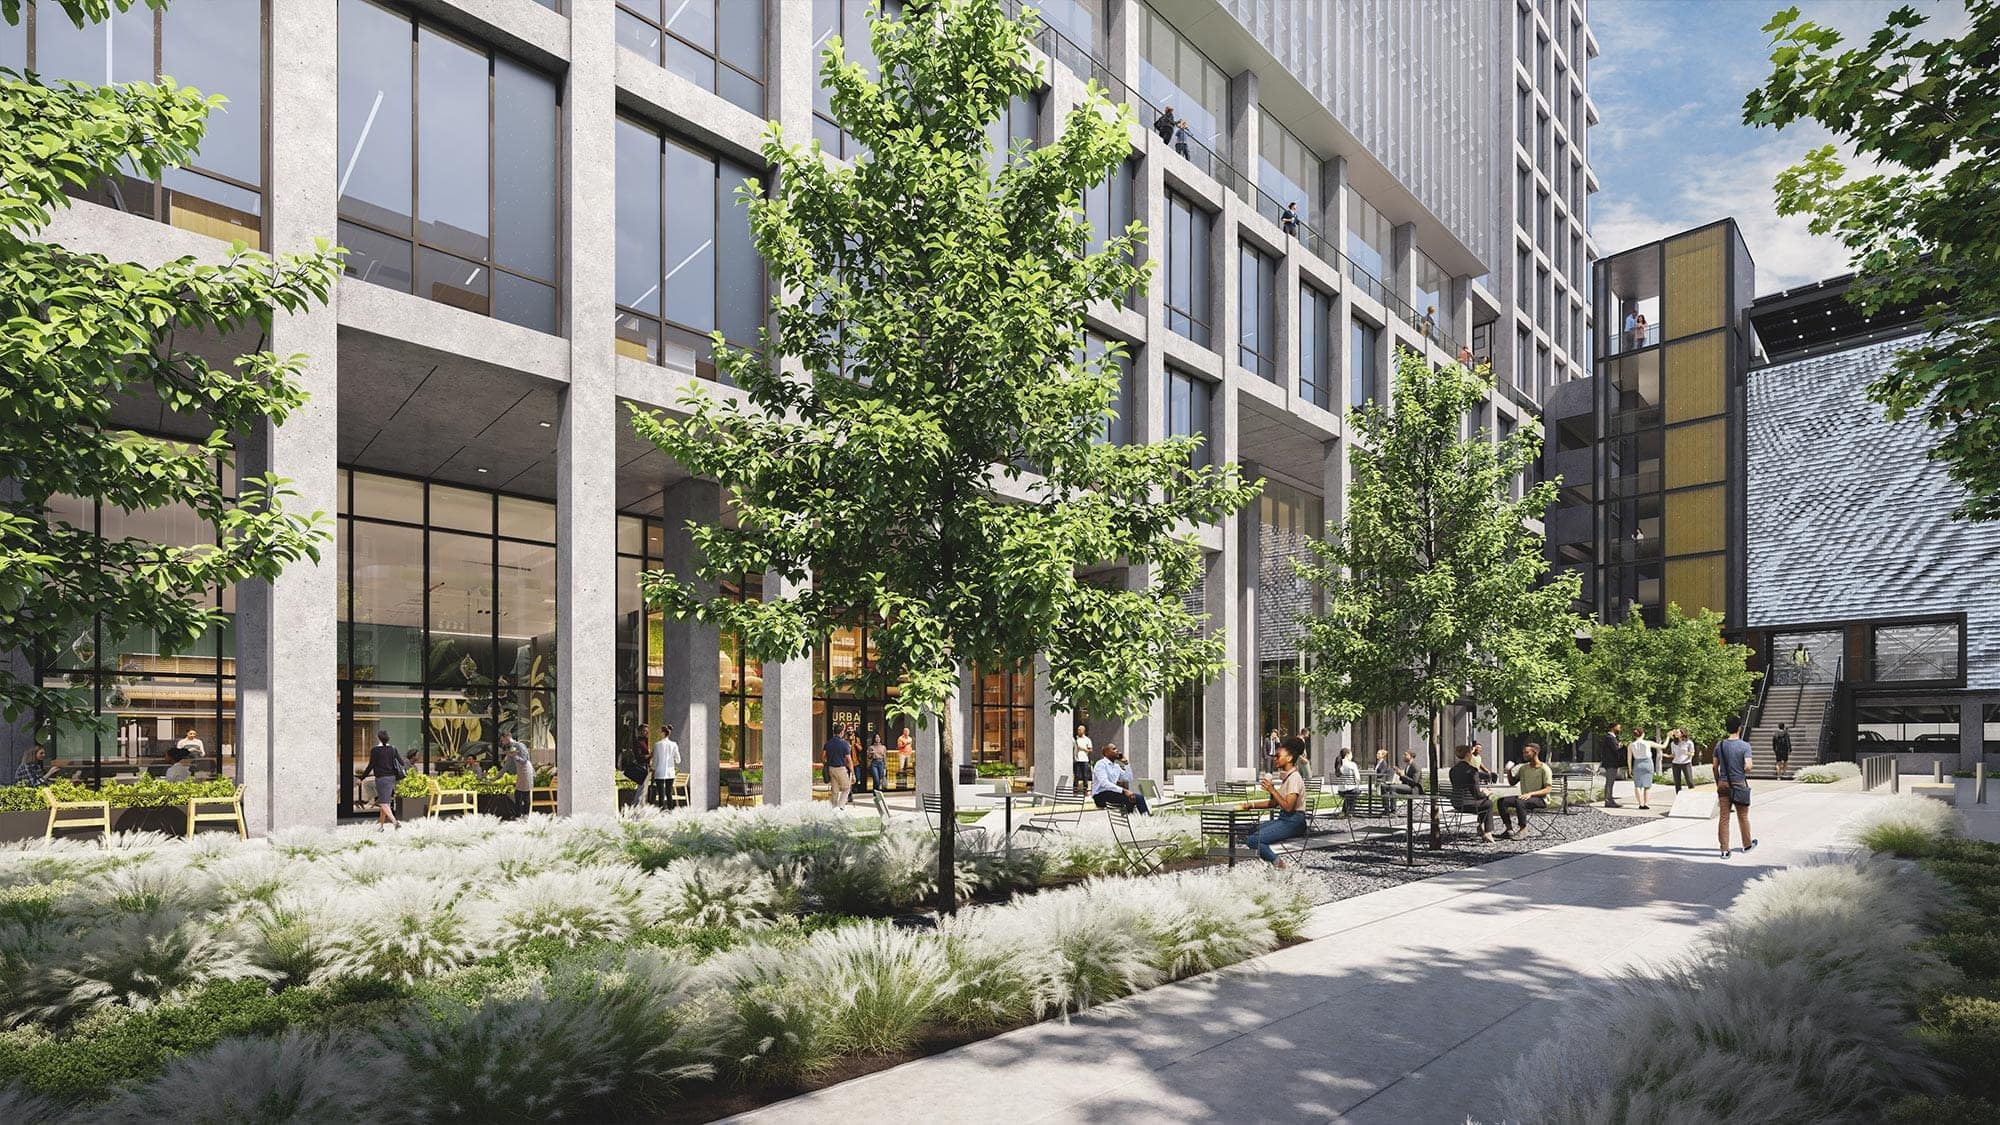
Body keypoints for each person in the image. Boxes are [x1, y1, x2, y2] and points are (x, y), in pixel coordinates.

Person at [1238, 737, 1308, 866]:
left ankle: (1280, 865)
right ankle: (1268, 864)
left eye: (1278, 756)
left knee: (1253, 840)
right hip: (1285, 819)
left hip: (1293, 822)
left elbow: (1288, 807)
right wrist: (1250, 805)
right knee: (1251, 830)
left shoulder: (1294, 778)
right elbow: (1274, 803)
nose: (1275, 758)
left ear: (1289, 758)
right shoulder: (1288, 777)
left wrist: (1272, 790)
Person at [1714, 715, 1757, 858]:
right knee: (1743, 816)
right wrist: (1741, 769)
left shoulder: (1719, 745)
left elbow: (1715, 766)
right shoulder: (1745, 746)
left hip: (1723, 784)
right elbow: (1749, 766)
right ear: (1739, 727)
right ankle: (1747, 845)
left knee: (1724, 817)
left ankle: (1725, 851)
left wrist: (1718, 781)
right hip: (1738, 783)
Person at [1497, 743, 1553, 838]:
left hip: (1541, 800)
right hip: (1525, 798)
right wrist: (1509, 771)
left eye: (1527, 752)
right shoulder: (1523, 768)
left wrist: (1530, 794)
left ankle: (1523, 830)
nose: (1524, 754)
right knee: (1501, 801)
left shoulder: (1544, 769)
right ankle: (1509, 829)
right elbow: (1512, 783)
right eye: (1523, 752)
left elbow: (1548, 789)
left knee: (1520, 801)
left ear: (1535, 753)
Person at [1449, 744, 1497, 843]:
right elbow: (1477, 795)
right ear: (1468, 754)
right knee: (1488, 803)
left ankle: (1481, 827)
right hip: (1468, 804)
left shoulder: (1452, 770)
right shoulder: (1472, 770)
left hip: (1456, 803)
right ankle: (1487, 832)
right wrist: (1486, 793)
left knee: (1484, 802)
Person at [364, 731, 408, 828]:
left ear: (378, 738)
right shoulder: (393, 749)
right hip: (391, 778)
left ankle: (395, 822)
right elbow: (401, 762)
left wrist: (362, 777)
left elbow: (370, 765)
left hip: (381, 779)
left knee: (383, 803)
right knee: (386, 802)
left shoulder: (375, 750)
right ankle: (381, 826)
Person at [1090, 743, 1148, 814]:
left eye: (1116, 748)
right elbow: (1104, 783)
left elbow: (1128, 778)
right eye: (1114, 749)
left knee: (1132, 799)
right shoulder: (1101, 764)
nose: (1117, 751)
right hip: (1100, 795)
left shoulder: (1116, 766)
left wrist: (1126, 764)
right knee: (1139, 798)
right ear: (1106, 752)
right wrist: (1124, 791)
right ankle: (1147, 820)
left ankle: (1128, 820)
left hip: (1112, 793)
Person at [498, 732, 533, 818]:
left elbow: (524, 760)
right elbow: (506, 766)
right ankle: (518, 815)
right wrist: (496, 777)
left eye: (503, 740)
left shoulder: (519, 745)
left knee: (525, 793)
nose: (502, 742)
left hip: (526, 770)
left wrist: (515, 756)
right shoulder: (511, 748)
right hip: (520, 772)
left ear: (507, 737)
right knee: (518, 793)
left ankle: (526, 815)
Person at [1627, 726, 1658, 810]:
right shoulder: (1648, 743)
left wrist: (1630, 769)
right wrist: (1668, 737)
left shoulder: (1631, 745)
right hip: (1648, 763)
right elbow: (1663, 746)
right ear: (1643, 734)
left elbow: (1629, 759)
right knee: (1647, 786)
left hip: (1637, 763)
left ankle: (1641, 804)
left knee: (1637, 785)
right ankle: (1646, 803)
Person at [823, 727, 854, 808]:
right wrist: (852, 773)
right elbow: (849, 760)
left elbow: (822, 757)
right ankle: (840, 807)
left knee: (835, 790)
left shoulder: (828, 743)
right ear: (841, 732)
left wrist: (827, 763)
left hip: (831, 768)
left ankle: (833, 808)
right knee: (846, 788)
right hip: (840, 768)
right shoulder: (844, 744)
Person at [620, 730, 651, 808]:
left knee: (643, 788)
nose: (647, 732)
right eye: (645, 731)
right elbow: (639, 756)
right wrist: (650, 755)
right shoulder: (639, 742)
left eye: (647, 731)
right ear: (640, 732)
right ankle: (636, 806)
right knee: (641, 787)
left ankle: (640, 806)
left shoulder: (647, 741)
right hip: (641, 767)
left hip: (646, 766)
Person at [652, 724, 680, 808]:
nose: (659, 733)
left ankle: (661, 810)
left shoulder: (657, 745)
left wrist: (653, 769)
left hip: (659, 772)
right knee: (669, 792)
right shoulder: (674, 744)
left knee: (661, 793)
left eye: (660, 732)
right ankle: (670, 810)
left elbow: (655, 760)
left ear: (663, 733)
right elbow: (678, 760)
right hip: (670, 772)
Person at [1598, 722, 1625, 808]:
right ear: (1613, 728)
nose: (1619, 729)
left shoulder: (1611, 738)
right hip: (1611, 764)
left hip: (1611, 763)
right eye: (1618, 727)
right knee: (1609, 782)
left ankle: (1610, 799)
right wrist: (1620, 746)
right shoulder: (1610, 738)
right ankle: (1608, 801)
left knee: (1611, 782)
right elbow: (1615, 750)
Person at [1332, 748, 1362, 815]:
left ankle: (1344, 811)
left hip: (1341, 790)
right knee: (1355, 792)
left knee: (1349, 795)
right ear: (1347, 754)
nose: (1352, 756)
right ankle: (1350, 811)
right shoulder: (1352, 764)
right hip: (1350, 789)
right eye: (1351, 754)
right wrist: (1357, 785)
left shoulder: (1339, 765)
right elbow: (1358, 778)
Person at [1667, 727, 1697, 792]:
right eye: (1675, 733)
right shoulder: (1673, 743)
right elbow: (1674, 755)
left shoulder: (1689, 742)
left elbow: (1692, 753)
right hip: (1675, 764)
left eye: (1677, 732)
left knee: (1689, 781)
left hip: (1686, 763)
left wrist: (1687, 753)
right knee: (1677, 782)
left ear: (1682, 733)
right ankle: (1678, 797)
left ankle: (1692, 795)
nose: (1676, 733)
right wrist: (1667, 755)